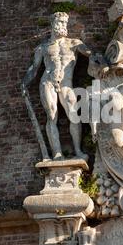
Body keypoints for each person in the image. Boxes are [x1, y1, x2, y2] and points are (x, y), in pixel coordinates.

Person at [22, 12, 90, 160]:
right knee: (52, 115)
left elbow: (91, 55)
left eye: (65, 23)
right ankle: (57, 153)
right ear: (52, 25)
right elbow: (34, 69)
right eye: (60, 23)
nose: (63, 26)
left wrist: (101, 61)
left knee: (73, 114)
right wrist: (24, 83)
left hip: (66, 83)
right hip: (47, 82)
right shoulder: (43, 48)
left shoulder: (74, 43)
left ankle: (78, 151)